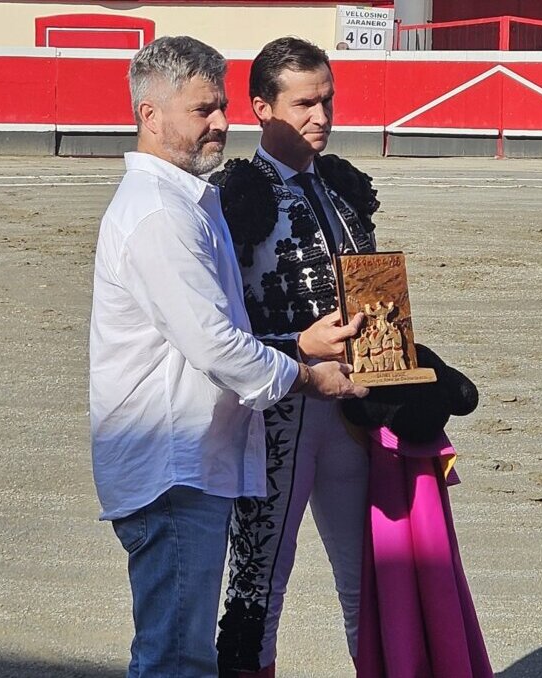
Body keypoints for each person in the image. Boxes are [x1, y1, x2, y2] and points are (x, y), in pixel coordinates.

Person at [89, 35, 367, 678]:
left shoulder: (203, 196)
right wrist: (304, 371)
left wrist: (302, 347)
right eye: (202, 110)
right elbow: (216, 344)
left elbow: (226, 329)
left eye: (219, 108)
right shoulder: (179, 208)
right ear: (151, 116)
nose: (220, 123)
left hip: (240, 430)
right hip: (195, 448)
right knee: (190, 645)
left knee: (195, 641)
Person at [212, 36, 379, 677]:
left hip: (352, 413)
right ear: (262, 108)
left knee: (369, 578)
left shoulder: (343, 188)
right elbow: (220, 325)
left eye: (327, 101)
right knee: (256, 586)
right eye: (304, 103)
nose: (322, 117)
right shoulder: (236, 195)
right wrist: (294, 352)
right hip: (274, 414)